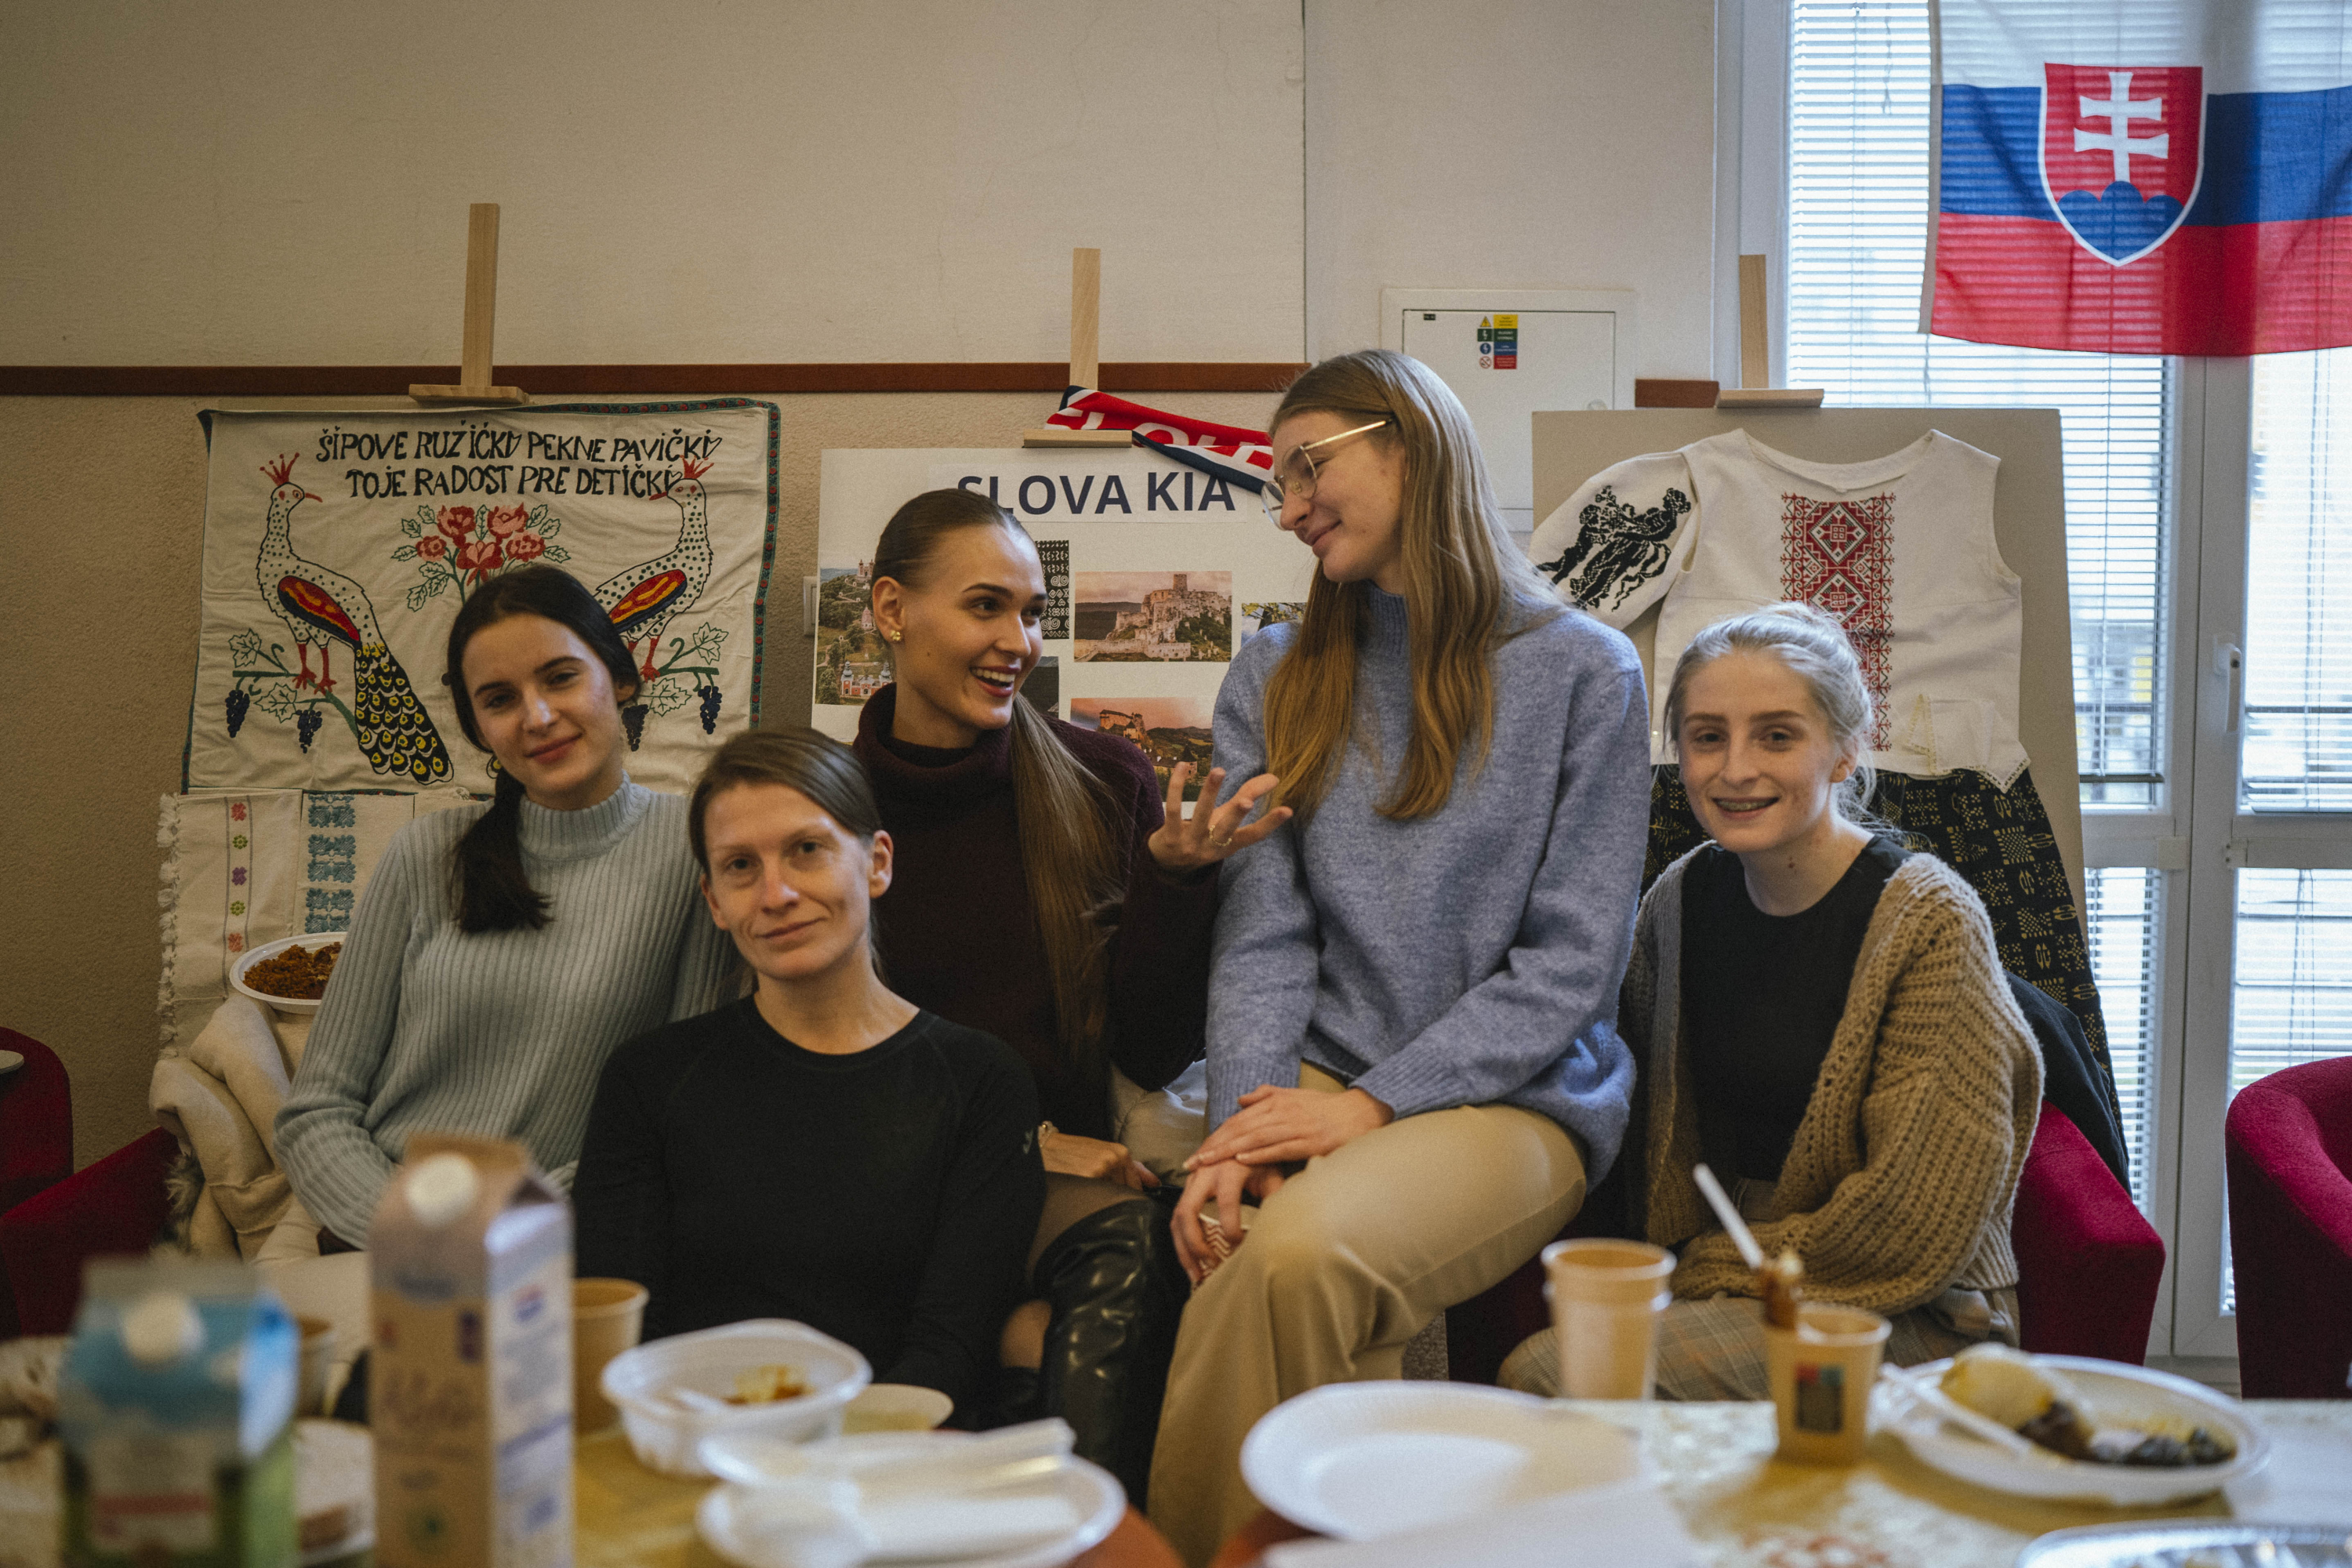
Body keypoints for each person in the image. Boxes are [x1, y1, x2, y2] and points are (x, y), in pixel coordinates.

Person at [1147, 349, 1652, 1564]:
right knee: (1258, 1239)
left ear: (1411, 443)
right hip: (1322, 1065)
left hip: (1517, 1094)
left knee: (1295, 1257)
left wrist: (1368, 1108)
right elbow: (1265, 935)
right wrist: (1241, 1130)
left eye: (1307, 468)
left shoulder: (1588, 671)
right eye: (1275, 485)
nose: (1288, 508)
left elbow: (1569, 967)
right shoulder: (1277, 671)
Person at [851, 486, 1283, 1501]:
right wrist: (1021, 1143)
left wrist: (1173, 883)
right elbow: (816, 1055)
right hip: (888, 1173)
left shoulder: (1101, 778)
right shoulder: (825, 807)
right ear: (891, 609)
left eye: (1033, 612)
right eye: (985, 606)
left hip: (1060, 1197)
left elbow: (1150, 1051)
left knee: (1126, 1262)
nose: (1020, 642)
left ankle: (1088, 1543)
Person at [1497, 603, 2043, 1402]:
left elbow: (1911, 1223)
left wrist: (1708, 1268)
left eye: (1777, 736)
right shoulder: (1680, 898)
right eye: (1706, 736)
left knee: (1551, 1373)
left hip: (1907, 1309)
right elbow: (1629, 1102)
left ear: (1846, 751)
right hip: (1741, 1281)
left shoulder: (1929, 920)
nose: (1735, 769)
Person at [572, 729, 1044, 1414]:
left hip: (890, 1453)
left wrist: (825, 1458)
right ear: (714, 900)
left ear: (876, 863)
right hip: (690, 1443)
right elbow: (622, 1337)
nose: (776, 894)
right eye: (740, 866)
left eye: (807, 850)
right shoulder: (647, 1079)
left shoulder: (982, 1082)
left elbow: (948, 1352)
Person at [273, 564, 738, 1252]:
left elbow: (676, 1118)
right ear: (479, 728)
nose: (538, 718)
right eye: (499, 699)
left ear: (622, 678)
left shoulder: (698, 852)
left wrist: (515, 1228)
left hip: (562, 1236)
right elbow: (316, 1110)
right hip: (382, 1231)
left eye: (561, 677)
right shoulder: (425, 854)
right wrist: (420, 1233)